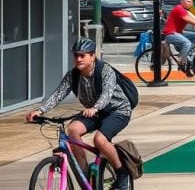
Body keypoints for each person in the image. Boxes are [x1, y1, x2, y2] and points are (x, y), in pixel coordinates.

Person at [25, 39, 133, 190]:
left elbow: (107, 94)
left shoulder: (105, 70)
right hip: (95, 112)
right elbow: (58, 94)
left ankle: (122, 174)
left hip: (118, 111)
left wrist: (95, 107)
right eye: (76, 56)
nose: (78, 59)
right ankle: (85, 175)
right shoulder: (73, 75)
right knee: (73, 130)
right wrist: (40, 111)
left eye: (83, 56)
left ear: (92, 56)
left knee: (99, 140)